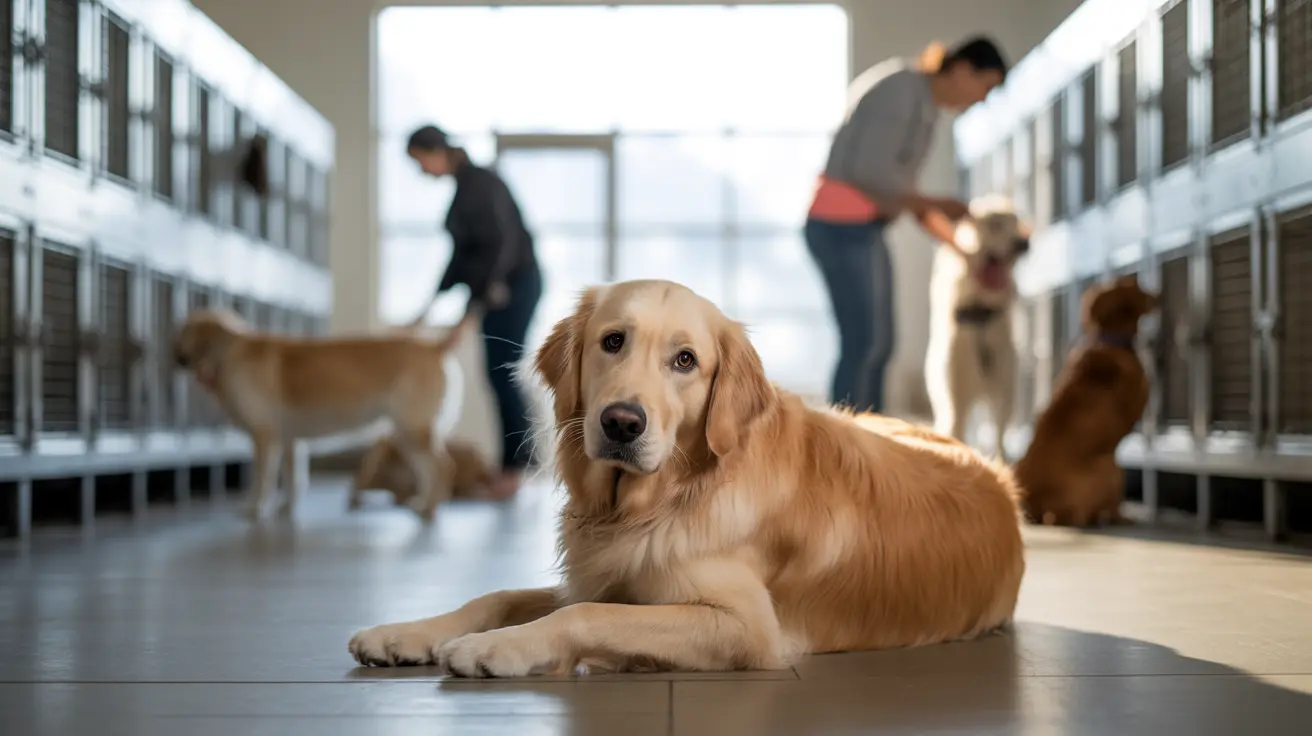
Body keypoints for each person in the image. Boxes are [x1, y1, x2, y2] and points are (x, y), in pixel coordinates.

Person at [805, 36, 1009, 413]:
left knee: (880, 344)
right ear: (963, 69)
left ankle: (873, 442)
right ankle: (843, 447)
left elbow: (905, 197)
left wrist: (962, 251)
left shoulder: (925, 108)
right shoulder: (901, 90)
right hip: (838, 226)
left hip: (863, 228)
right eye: (985, 87)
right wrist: (937, 203)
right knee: (863, 342)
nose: (981, 99)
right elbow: (870, 172)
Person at [405, 125, 542, 500]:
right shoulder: (465, 189)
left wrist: (469, 315)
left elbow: (500, 250)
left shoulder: (481, 184)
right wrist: (430, 306)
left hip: (515, 287)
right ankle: (515, 466)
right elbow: (462, 259)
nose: (422, 172)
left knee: (503, 373)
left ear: (436, 151)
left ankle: (514, 470)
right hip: (497, 290)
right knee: (498, 374)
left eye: (421, 162)